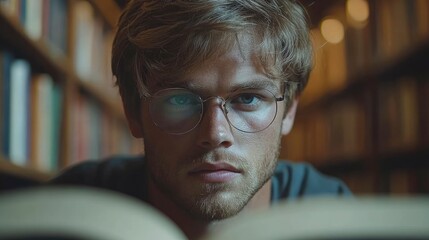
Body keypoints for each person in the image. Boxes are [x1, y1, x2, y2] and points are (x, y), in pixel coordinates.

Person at [51, 0, 351, 239]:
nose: (215, 133)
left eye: (247, 98)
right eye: (180, 99)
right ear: (133, 112)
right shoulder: (66, 213)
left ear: (289, 111)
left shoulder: (339, 219)